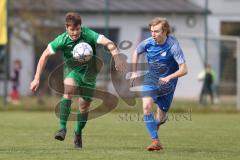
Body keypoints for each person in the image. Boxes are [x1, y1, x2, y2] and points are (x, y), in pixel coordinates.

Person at [29, 12, 125, 148]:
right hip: (72, 71)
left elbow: (109, 43)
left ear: (81, 27)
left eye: (77, 29)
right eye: (72, 30)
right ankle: (62, 128)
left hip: (89, 75)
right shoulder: (61, 40)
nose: (75, 33)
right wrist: (36, 78)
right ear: (66, 28)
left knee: (84, 107)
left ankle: (78, 133)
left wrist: (117, 58)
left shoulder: (88, 34)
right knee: (68, 90)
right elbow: (44, 55)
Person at [130, 17, 188, 151]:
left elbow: (184, 69)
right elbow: (136, 51)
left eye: (156, 31)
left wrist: (169, 77)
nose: (153, 34)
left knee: (160, 118)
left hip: (168, 85)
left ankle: (160, 121)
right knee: (146, 107)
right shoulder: (148, 43)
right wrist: (134, 72)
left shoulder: (173, 46)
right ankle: (155, 141)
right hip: (151, 79)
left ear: (165, 31)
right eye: (151, 31)